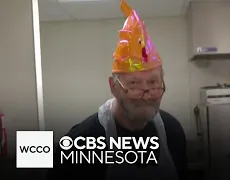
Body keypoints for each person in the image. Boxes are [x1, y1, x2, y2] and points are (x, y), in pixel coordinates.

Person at [46, 0, 188, 180]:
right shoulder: (80, 142)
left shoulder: (172, 131)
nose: (146, 95)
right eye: (134, 84)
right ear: (113, 88)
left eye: (153, 83)